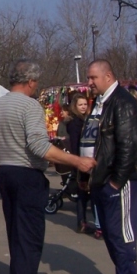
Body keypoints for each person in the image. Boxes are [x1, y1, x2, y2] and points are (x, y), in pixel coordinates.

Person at [0, 60, 95, 274]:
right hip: (26, 175)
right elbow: (38, 146)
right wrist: (77, 161)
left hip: (6, 174)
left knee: (16, 237)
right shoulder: (31, 106)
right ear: (31, 81)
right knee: (29, 241)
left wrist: (8, 145)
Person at [86, 59, 137, 274]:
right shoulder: (102, 103)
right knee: (110, 234)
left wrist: (116, 182)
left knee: (122, 235)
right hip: (101, 180)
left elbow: (129, 146)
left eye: (93, 78)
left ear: (108, 76)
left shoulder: (123, 103)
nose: (89, 83)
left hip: (119, 182)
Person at [59, 94, 90, 232]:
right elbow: (75, 143)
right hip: (80, 159)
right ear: (75, 107)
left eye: (85, 104)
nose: (83, 107)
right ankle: (82, 222)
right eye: (80, 105)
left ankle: (84, 221)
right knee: (82, 193)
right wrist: (78, 160)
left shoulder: (86, 120)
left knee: (86, 192)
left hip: (87, 158)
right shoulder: (74, 123)